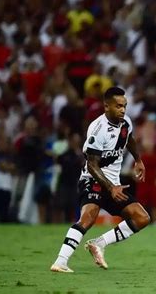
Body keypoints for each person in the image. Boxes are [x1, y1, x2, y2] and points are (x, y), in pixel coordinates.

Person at [50, 87, 150, 273]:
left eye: (125, 106)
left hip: (113, 185)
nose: (123, 110)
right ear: (106, 106)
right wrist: (111, 187)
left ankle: (99, 244)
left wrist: (138, 160)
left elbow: (129, 138)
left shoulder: (125, 122)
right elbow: (91, 165)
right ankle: (61, 261)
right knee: (88, 218)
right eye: (118, 106)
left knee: (142, 217)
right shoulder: (98, 129)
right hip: (93, 180)